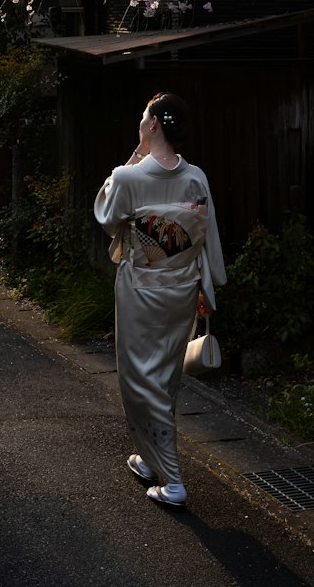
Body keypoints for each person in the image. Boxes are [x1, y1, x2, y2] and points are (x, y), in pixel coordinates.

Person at [94, 92, 226, 508]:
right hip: (182, 287)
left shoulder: (129, 177)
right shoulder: (196, 178)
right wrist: (210, 284)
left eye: (144, 116)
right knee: (164, 377)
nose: (140, 121)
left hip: (142, 289)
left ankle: (172, 480)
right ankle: (149, 460)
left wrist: (135, 155)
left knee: (138, 379)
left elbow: (106, 217)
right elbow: (209, 239)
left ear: (153, 125)